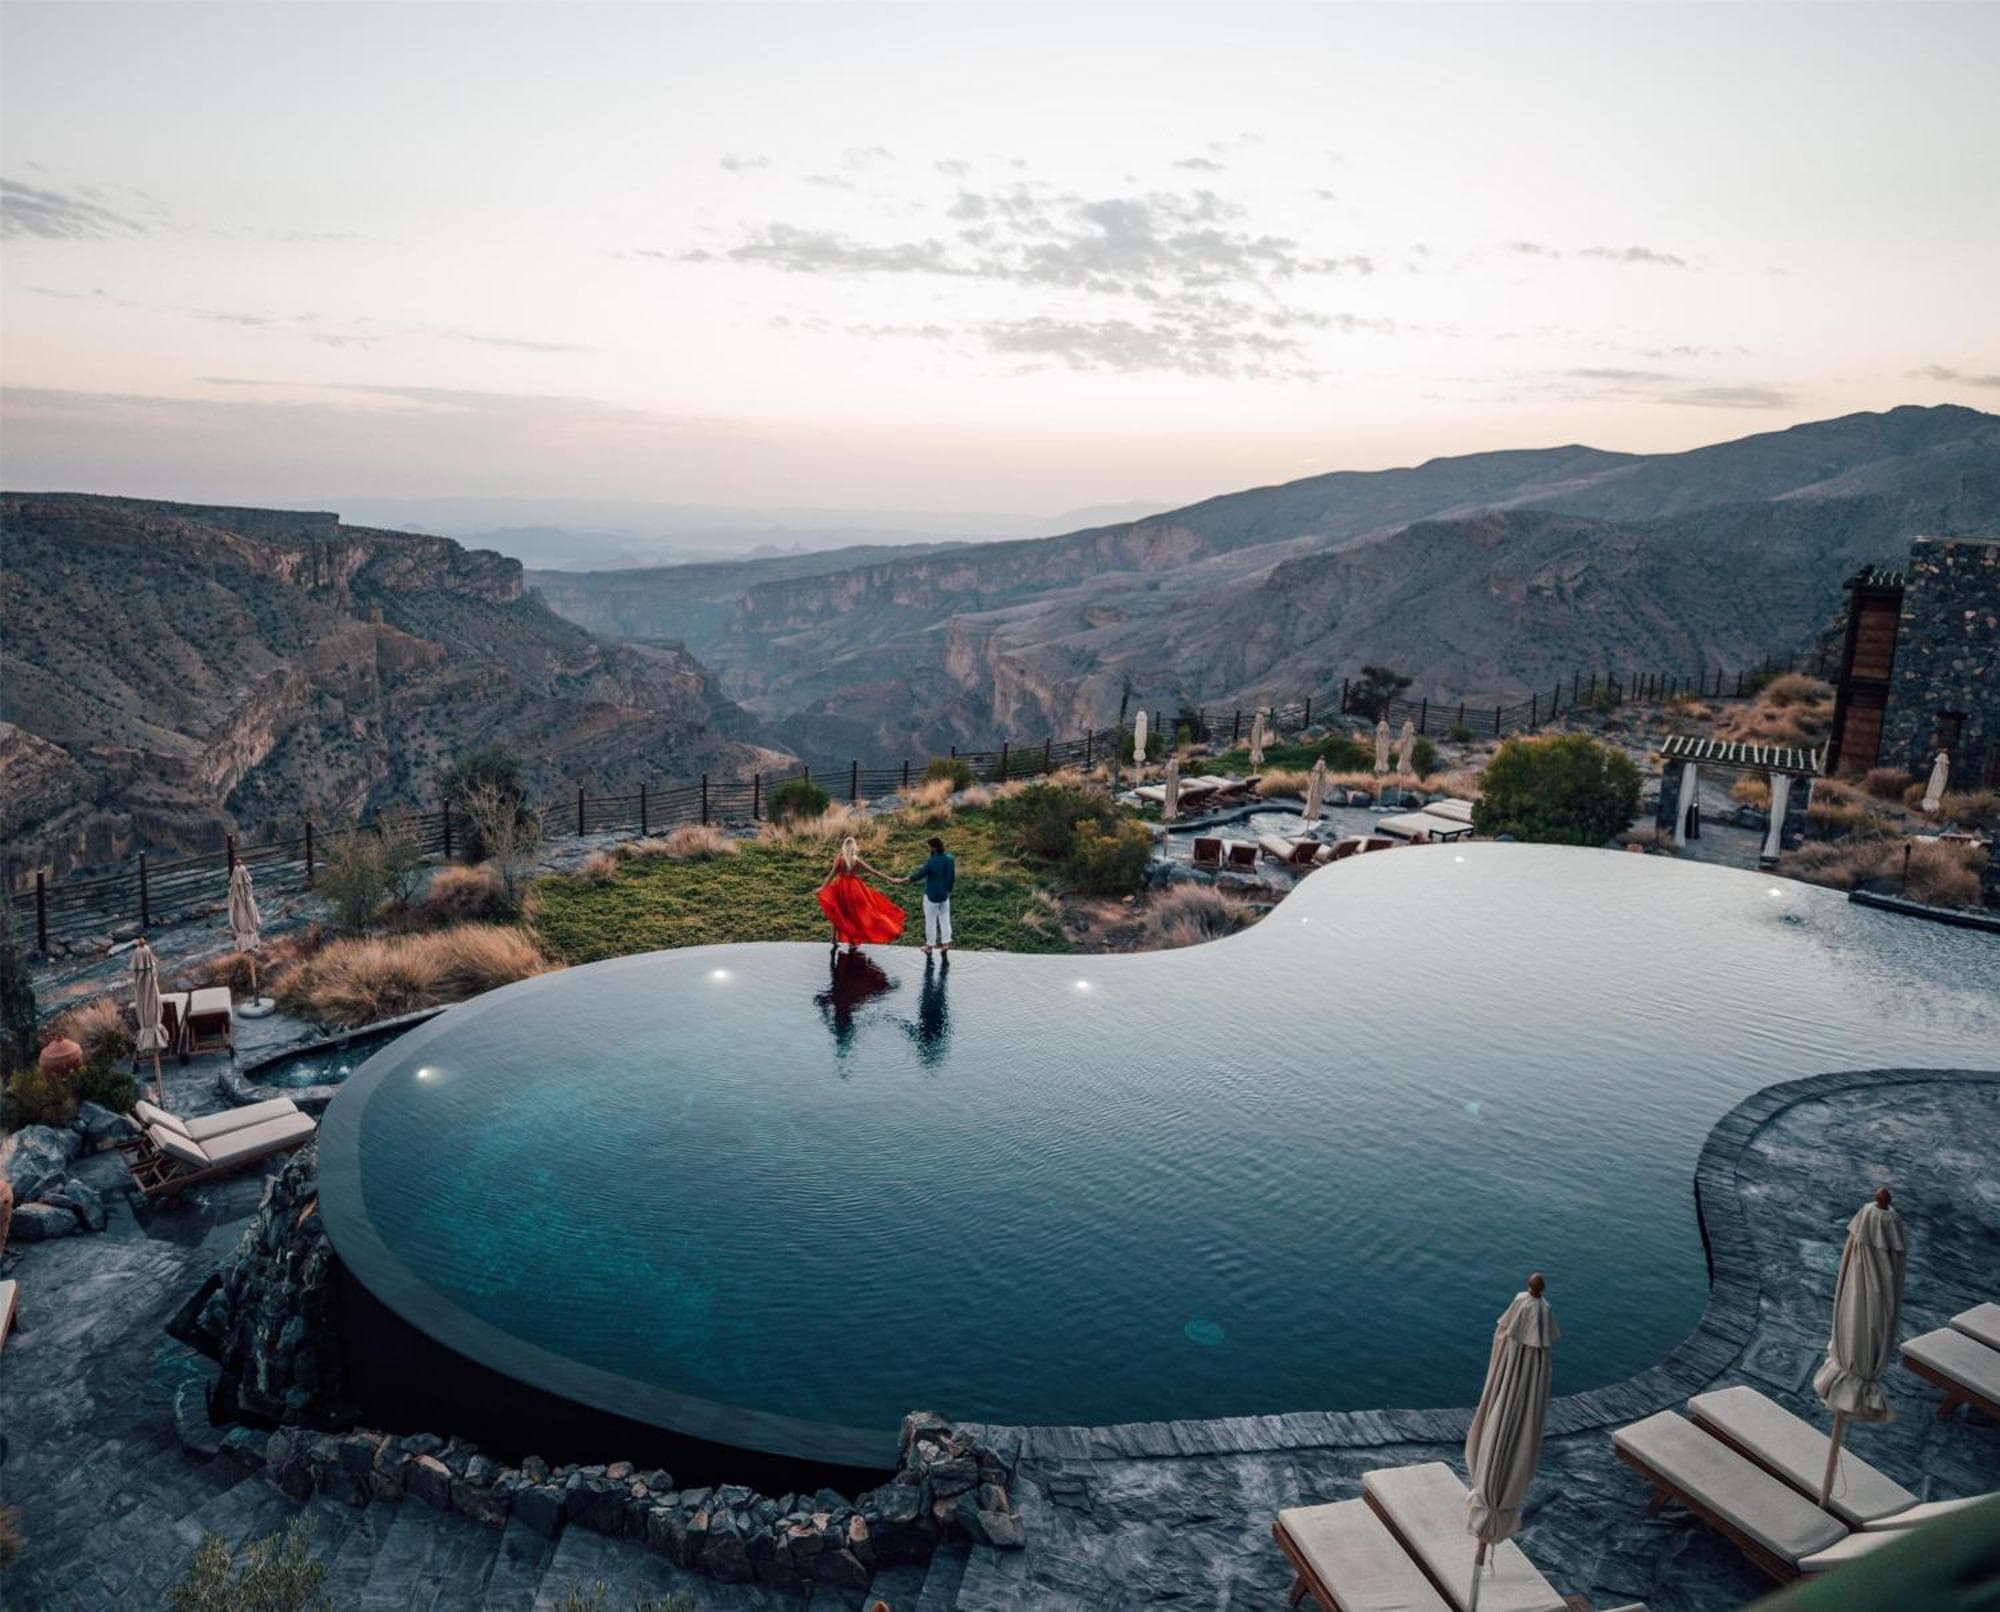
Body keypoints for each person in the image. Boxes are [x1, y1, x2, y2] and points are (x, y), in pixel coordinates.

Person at [816, 835, 906, 952]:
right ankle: (853, 942)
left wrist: (822, 888)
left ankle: (833, 938)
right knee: (856, 915)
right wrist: (891, 879)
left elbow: (831, 875)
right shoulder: (856, 861)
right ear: (854, 847)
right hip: (855, 890)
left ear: (844, 847)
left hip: (841, 888)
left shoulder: (839, 860)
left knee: (838, 912)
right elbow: (874, 872)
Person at [906, 834, 956, 957]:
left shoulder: (931, 862)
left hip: (931, 896)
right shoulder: (950, 859)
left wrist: (906, 880)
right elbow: (952, 876)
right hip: (944, 895)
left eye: (928, 847)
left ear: (934, 848)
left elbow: (919, 875)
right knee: (945, 919)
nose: (927, 849)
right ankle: (945, 944)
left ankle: (929, 947)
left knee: (930, 921)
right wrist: (949, 890)